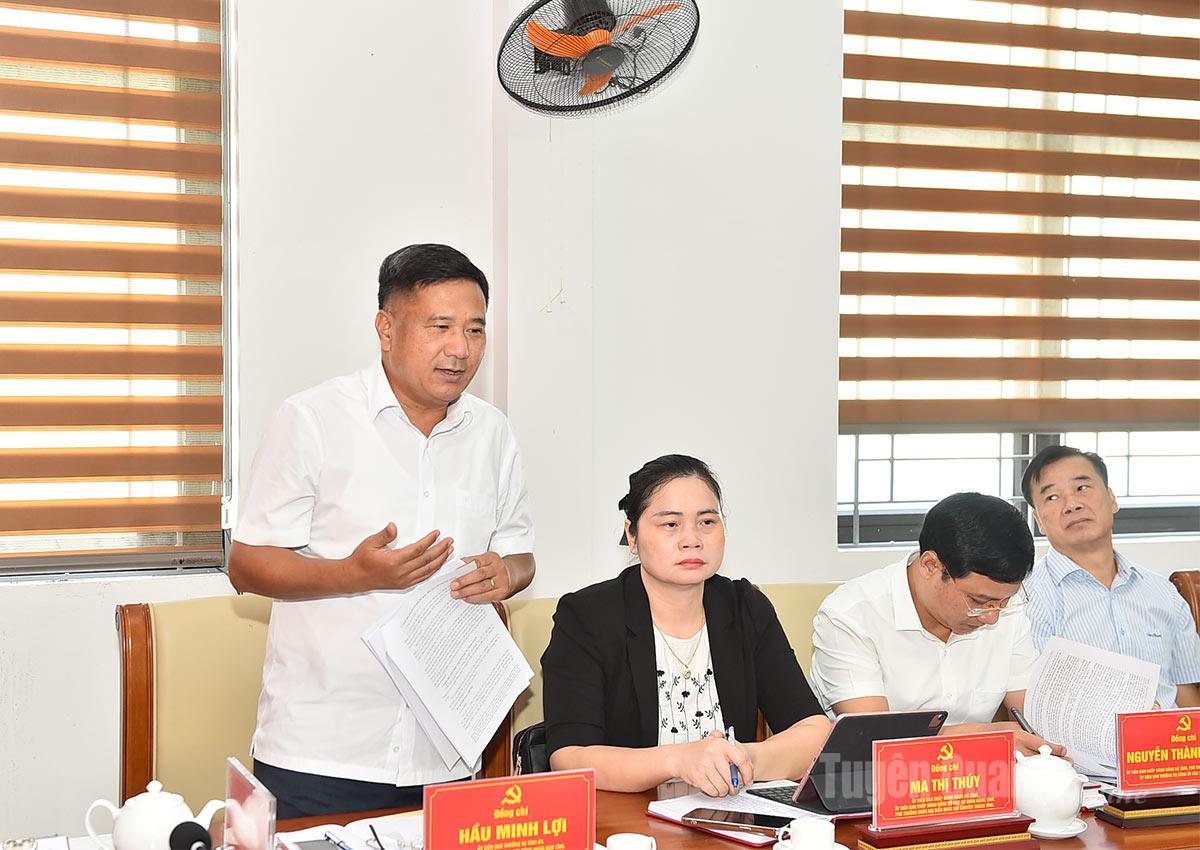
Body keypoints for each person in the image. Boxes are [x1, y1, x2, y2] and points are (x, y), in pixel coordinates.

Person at [228, 243, 536, 817]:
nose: (460, 349)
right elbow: (245, 565)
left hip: (448, 751)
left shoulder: (493, 433)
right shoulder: (313, 419)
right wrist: (353, 574)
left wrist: (506, 574)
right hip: (323, 753)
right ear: (386, 328)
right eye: (440, 327)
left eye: (475, 330)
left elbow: (520, 557)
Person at [542, 455, 831, 795]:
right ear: (632, 535)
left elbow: (814, 730)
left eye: (707, 521)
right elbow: (570, 757)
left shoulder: (745, 607)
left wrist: (743, 758)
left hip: (729, 812)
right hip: (628, 815)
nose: (691, 539)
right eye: (670, 524)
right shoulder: (586, 616)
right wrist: (680, 760)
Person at [810, 492, 1063, 756]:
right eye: (978, 601)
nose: (992, 617)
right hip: (876, 776)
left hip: (979, 773)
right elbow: (872, 739)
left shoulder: (1003, 608)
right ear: (930, 566)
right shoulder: (850, 616)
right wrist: (990, 738)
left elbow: (1032, 712)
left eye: (1005, 601)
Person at [1021, 444, 1200, 709]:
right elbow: (1037, 703)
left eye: (1082, 488)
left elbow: (1186, 698)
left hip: (1166, 735)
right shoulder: (1028, 600)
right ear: (1039, 521)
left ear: (1112, 498)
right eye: (1052, 497)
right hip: (1079, 736)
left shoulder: (1164, 593)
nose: (1072, 504)